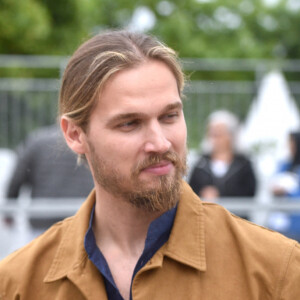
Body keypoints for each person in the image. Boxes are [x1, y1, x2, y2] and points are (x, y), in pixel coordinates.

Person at [0, 30, 300, 300]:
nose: (160, 142)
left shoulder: (276, 270)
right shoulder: (17, 283)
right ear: (75, 135)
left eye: (169, 116)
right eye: (130, 123)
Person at [5, 124, 94, 230]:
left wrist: (9, 210)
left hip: (43, 219)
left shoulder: (37, 141)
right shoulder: (89, 142)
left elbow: (18, 177)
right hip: (80, 218)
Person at [189, 110, 256, 200]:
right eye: (212, 133)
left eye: (219, 133)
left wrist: (221, 194)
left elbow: (249, 192)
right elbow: (191, 190)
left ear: (231, 135)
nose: (215, 138)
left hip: (235, 213)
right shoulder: (201, 164)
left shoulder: (243, 164)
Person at [269, 131, 300, 240]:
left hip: (296, 226)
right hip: (278, 224)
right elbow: (273, 183)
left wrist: (288, 193)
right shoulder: (284, 165)